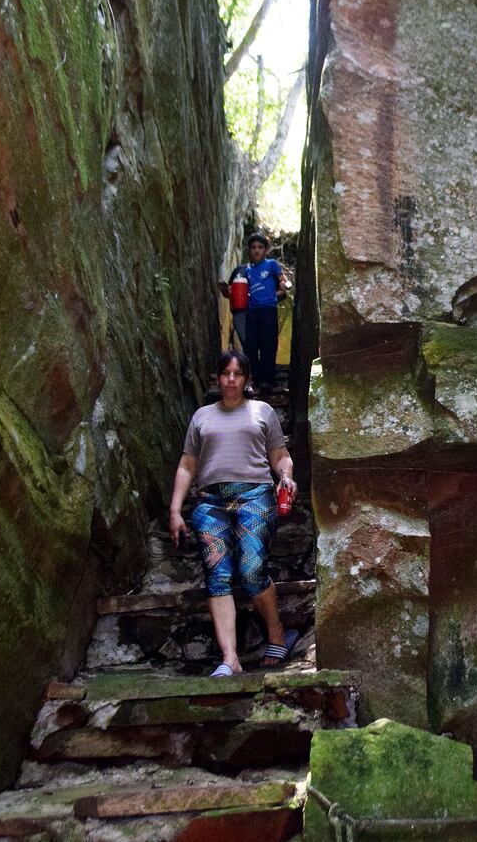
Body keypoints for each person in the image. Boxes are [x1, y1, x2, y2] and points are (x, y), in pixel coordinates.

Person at [169, 350, 298, 676]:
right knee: (218, 576)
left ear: (246, 379)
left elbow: (280, 455)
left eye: (237, 374)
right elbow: (187, 465)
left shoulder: (262, 411)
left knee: (251, 569)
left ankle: (276, 633)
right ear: (217, 377)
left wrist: (286, 476)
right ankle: (230, 659)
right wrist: (175, 509)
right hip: (210, 503)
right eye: (225, 373)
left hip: (255, 497)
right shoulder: (201, 417)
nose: (230, 379)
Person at [218, 232, 287, 395]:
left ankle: (267, 381)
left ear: (266, 250)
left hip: (268, 309)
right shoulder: (245, 270)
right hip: (251, 311)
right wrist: (225, 292)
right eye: (253, 247)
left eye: (260, 247)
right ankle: (253, 379)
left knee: (268, 344)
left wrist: (282, 287)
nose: (256, 251)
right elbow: (235, 295)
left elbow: (283, 283)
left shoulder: (271, 265)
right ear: (248, 250)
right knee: (251, 346)